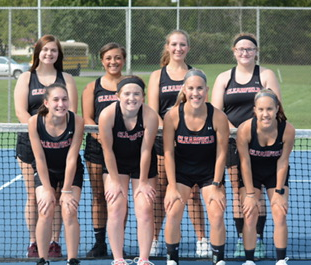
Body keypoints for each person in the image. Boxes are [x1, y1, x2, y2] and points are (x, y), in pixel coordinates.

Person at [211, 32, 282, 259]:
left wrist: (253, 132)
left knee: (257, 192)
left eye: (249, 49)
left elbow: (274, 106)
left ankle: (257, 238)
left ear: (256, 52)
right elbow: (216, 111)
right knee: (238, 192)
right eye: (240, 49)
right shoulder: (224, 78)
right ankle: (242, 238)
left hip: (261, 143)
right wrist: (237, 132)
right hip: (232, 142)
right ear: (234, 51)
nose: (245, 52)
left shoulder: (266, 75)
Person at [14, 34, 78, 258]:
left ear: (58, 54)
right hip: (30, 144)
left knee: (60, 194)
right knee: (36, 195)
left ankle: (55, 241)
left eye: (53, 50)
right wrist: (38, 132)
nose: (49, 54)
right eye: (45, 50)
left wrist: (55, 133)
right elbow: (21, 111)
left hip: (61, 144)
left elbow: (72, 112)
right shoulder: (26, 78)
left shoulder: (66, 78)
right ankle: (34, 242)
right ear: (37, 53)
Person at [148, 29, 210, 257]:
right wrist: (169, 133)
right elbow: (153, 112)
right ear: (167, 47)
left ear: (188, 48)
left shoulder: (195, 75)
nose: (178, 49)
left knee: (193, 193)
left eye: (183, 44)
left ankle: (202, 240)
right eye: (174, 44)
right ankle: (155, 238)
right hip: (164, 145)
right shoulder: (157, 76)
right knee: (163, 191)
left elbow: (203, 108)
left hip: (193, 145)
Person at [163, 69, 229, 265]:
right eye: (191, 88)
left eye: (200, 88)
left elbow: (222, 153)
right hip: (182, 173)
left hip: (210, 173)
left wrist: (217, 184)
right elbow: (168, 153)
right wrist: (172, 186)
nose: (195, 93)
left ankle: (218, 260)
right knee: (173, 210)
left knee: (216, 212)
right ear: (184, 90)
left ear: (206, 90)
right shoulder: (172, 116)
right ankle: (172, 259)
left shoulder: (218, 117)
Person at [98, 76, 158, 265]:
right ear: (118, 96)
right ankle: (118, 259)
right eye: (127, 94)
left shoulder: (150, 116)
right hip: (117, 164)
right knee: (115, 207)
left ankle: (144, 259)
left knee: (146, 209)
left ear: (143, 97)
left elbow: (146, 150)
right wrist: (114, 181)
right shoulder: (107, 115)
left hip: (143, 163)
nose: (132, 98)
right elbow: (107, 150)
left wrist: (143, 181)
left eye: (137, 94)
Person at [236, 89, 295, 265]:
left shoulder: (287, 130)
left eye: (269, 109)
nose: (265, 114)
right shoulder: (245, 129)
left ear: (277, 108)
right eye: (261, 110)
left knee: (280, 213)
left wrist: (278, 191)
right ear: (254, 110)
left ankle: (281, 260)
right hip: (251, 174)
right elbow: (244, 163)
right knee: (250, 213)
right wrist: (251, 195)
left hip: (275, 173)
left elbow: (283, 161)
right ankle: (249, 260)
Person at [28, 83, 84, 265]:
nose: (61, 104)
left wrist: (66, 191)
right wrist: (47, 189)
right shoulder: (35, 122)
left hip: (71, 170)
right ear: (46, 102)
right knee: (45, 209)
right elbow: (40, 159)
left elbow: (72, 158)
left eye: (65, 99)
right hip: (46, 171)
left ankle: (72, 259)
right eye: (56, 100)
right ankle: (43, 259)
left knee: (69, 211)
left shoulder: (77, 121)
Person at [82, 42, 126, 257]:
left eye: (117, 57)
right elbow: (88, 117)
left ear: (123, 60)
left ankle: (119, 242)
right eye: (109, 58)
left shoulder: (130, 84)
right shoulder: (93, 87)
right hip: (96, 150)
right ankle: (100, 243)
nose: (113, 62)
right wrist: (101, 136)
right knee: (99, 195)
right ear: (102, 61)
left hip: (125, 149)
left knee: (119, 197)